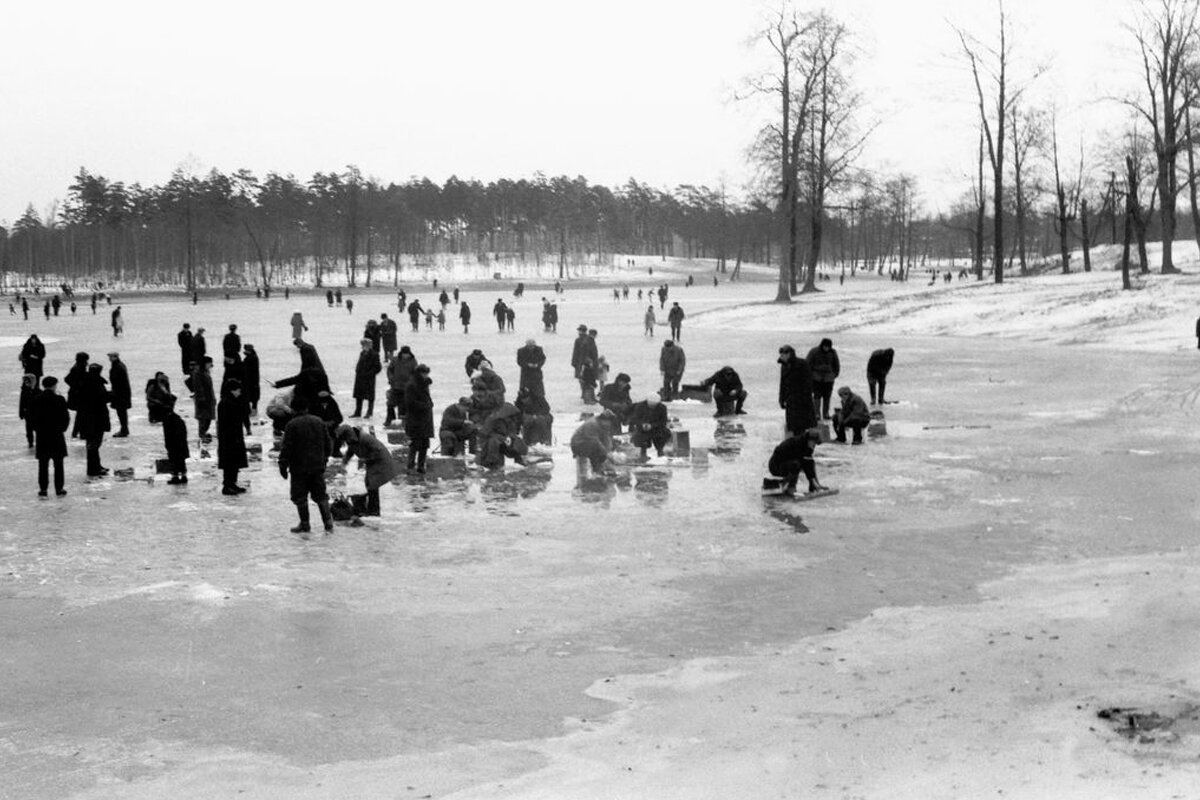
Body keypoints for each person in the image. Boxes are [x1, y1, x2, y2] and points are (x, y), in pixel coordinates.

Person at [278, 395, 334, 534]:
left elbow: (287, 447)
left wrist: (283, 465)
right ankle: (328, 523)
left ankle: (305, 524)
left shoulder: (292, 425)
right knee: (321, 495)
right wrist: (325, 459)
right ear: (307, 408)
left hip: (299, 468)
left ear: (293, 409)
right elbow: (328, 443)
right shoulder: (319, 421)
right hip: (317, 467)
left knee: (300, 496)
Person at [338, 425, 397, 516]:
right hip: (371, 462)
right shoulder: (352, 441)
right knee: (369, 483)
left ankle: (374, 511)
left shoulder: (365, 438)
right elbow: (350, 452)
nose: (347, 442)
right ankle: (370, 508)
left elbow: (377, 451)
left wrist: (365, 459)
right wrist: (343, 463)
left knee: (373, 484)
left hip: (381, 461)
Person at [32, 376, 69, 497]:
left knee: (43, 464)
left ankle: (43, 489)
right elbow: (65, 417)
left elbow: (32, 418)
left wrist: (37, 429)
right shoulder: (60, 399)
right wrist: (62, 429)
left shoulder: (36, 399)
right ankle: (59, 488)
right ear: (54, 385)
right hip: (57, 435)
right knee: (58, 464)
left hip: (42, 436)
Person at [77, 363, 112, 477]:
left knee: (92, 444)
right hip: (97, 419)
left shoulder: (84, 383)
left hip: (87, 419)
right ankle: (93, 469)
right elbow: (101, 399)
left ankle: (96, 466)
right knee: (94, 444)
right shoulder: (97, 384)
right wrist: (111, 395)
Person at [768, 429, 828, 495]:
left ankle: (814, 484)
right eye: (814, 444)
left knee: (810, 462)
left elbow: (808, 462)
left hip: (787, 464)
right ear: (809, 440)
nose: (814, 447)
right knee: (796, 464)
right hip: (776, 466)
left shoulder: (807, 446)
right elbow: (799, 461)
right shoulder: (796, 443)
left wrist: (813, 480)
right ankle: (791, 487)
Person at [217, 379, 249, 494]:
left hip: (233, 436)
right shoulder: (226, 403)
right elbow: (228, 422)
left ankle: (232, 483)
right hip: (229, 438)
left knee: (233, 462)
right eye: (238, 390)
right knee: (230, 462)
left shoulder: (230, 402)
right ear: (232, 391)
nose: (239, 393)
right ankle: (227, 485)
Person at [778, 345, 817, 436]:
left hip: (802, 400)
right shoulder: (784, 366)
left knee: (802, 425)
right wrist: (781, 399)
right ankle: (797, 443)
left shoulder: (802, 364)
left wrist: (806, 396)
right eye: (781, 355)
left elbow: (808, 382)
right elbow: (782, 384)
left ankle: (800, 444)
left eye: (783, 355)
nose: (781, 357)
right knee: (793, 426)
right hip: (791, 400)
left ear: (789, 354)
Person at [476, 402, 527, 469]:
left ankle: (518, 460)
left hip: (503, 442)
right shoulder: (492, 419)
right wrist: (502, 438)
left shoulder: (510, 421)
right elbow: (484, 433)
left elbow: (512, 432)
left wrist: (510, 438)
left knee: (516, 442)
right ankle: (490, 464)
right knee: (494, 442)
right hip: (491, 443)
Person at [404, 364, 434, 473]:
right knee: (415, 443)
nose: (426, 375)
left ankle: (421, 466)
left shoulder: (424, 384)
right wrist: (425, 406)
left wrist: (429, 404)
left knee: (424, 444)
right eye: (424, 373)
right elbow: (410, 402)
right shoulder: (412, 385)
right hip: (416, 419)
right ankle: (410, 465)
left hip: (425, 419)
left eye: (426, 373)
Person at [570, 410, 619, 474]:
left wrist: (610, 453)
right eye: (610, 422)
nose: (610, 425)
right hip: (579, 444)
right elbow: (596, 442)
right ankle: (597, 470)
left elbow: (607, 439)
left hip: (588, 443)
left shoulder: (603, 426)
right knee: (597, 450)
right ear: (604, 420)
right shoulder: (592, 424)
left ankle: (600, 467)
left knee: (603, 452)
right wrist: (607, 454)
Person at [806, 338, 840, 420]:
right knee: (817, 396)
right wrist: (810, 376)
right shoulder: (814, 351)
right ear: (822, 345)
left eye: (828, 347)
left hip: (829, 379)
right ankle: (816, 414)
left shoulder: (833, 352)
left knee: (827, 396)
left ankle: (826, 413)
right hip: (816, 378)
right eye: (825, 346)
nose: (826, 348)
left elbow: (837, 365)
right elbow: (807, 364)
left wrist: (834, 375)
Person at [628, 393, 671, 457]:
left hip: (657, 429)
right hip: (642, 429)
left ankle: (660, 450)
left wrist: (652, 425)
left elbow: (663, 421)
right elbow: (635, 419)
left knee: (665, 433)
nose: (652, 406)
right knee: (638, 437)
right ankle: (643, 451)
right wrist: (642, 424)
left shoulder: (662, 407)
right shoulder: (640, 406)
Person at [385, 345, 418, 425]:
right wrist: (391, 379)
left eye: (407, 354)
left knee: (402, 407)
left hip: (406, 388)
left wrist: (412, 383)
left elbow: (415, 374)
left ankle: (402, 422)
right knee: (390, 404)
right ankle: (390, 420)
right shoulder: (395, 360)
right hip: (395, 386)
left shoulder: (413, 361)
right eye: (404, 354)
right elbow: (390, 370)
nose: (405, 355)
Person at [351, 337, 382, 418]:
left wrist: (370, 373)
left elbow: (378, 367)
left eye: (364, 345)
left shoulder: (374, 354)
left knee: (370, 396)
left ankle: (369, 412)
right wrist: (358, 370)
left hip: (369, 379)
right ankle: (358, 412)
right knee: (359, 396)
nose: (363, 346)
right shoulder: (362, 353)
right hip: (360, 378)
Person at [162, 397, 190, 485]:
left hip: (173, 444)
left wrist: (167, 444)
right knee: (181, 460)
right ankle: (184, 475)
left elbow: (167, 435)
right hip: (181, 443)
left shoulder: (167, 420)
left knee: (174, 460)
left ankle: (175, 476)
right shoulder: (178, 419)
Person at [106, 351, 132, 437]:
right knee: (122, 411)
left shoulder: (117, 367)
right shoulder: (120, 365)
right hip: (123, 392)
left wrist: (113, 393)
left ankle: (124, 430)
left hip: (120, 393)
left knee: (121, 411)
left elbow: (117, 381)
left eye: (111, 357)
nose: (109, 358)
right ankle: (124, 429)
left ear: (115, 357)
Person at [65, 352, 89, 439]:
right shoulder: (79, 368)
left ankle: (76, 432)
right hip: (79, 395)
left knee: (80, 414)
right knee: (82, 414)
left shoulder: (76, 367)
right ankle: (81, 433)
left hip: (77, 394)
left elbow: (67, 379)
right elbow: (67, 379)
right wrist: (77, 387)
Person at [192, 357, 217, 443]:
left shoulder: (205, 372)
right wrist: (201, 399)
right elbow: (198, 387)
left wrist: (213, 398)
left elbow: (210, 387)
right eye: (209, 363)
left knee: (208, 418)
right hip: (202, 400)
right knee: (203, 419)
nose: (210, 366)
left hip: (209, 399)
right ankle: (202, 435)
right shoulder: (198, 374)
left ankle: (203, 434)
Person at [19, 374, 40, 448]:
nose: (26, 383)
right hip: (28, 414)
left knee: (38, 429)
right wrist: (21, 413)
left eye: (28, 381)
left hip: (37, 414)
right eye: (25, 382)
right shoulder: (24, 391)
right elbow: (21, 403)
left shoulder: (38, 391)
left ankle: (38, 442)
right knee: (29, 430)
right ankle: (30, 442)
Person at [242, 344, 261, 414]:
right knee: (254, 398)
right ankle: (253, 411)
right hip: (253, 381)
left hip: (250, 381)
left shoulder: (250, 358)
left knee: (250, 397)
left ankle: (251, 412)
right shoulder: (253, 357)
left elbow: (246, 369)